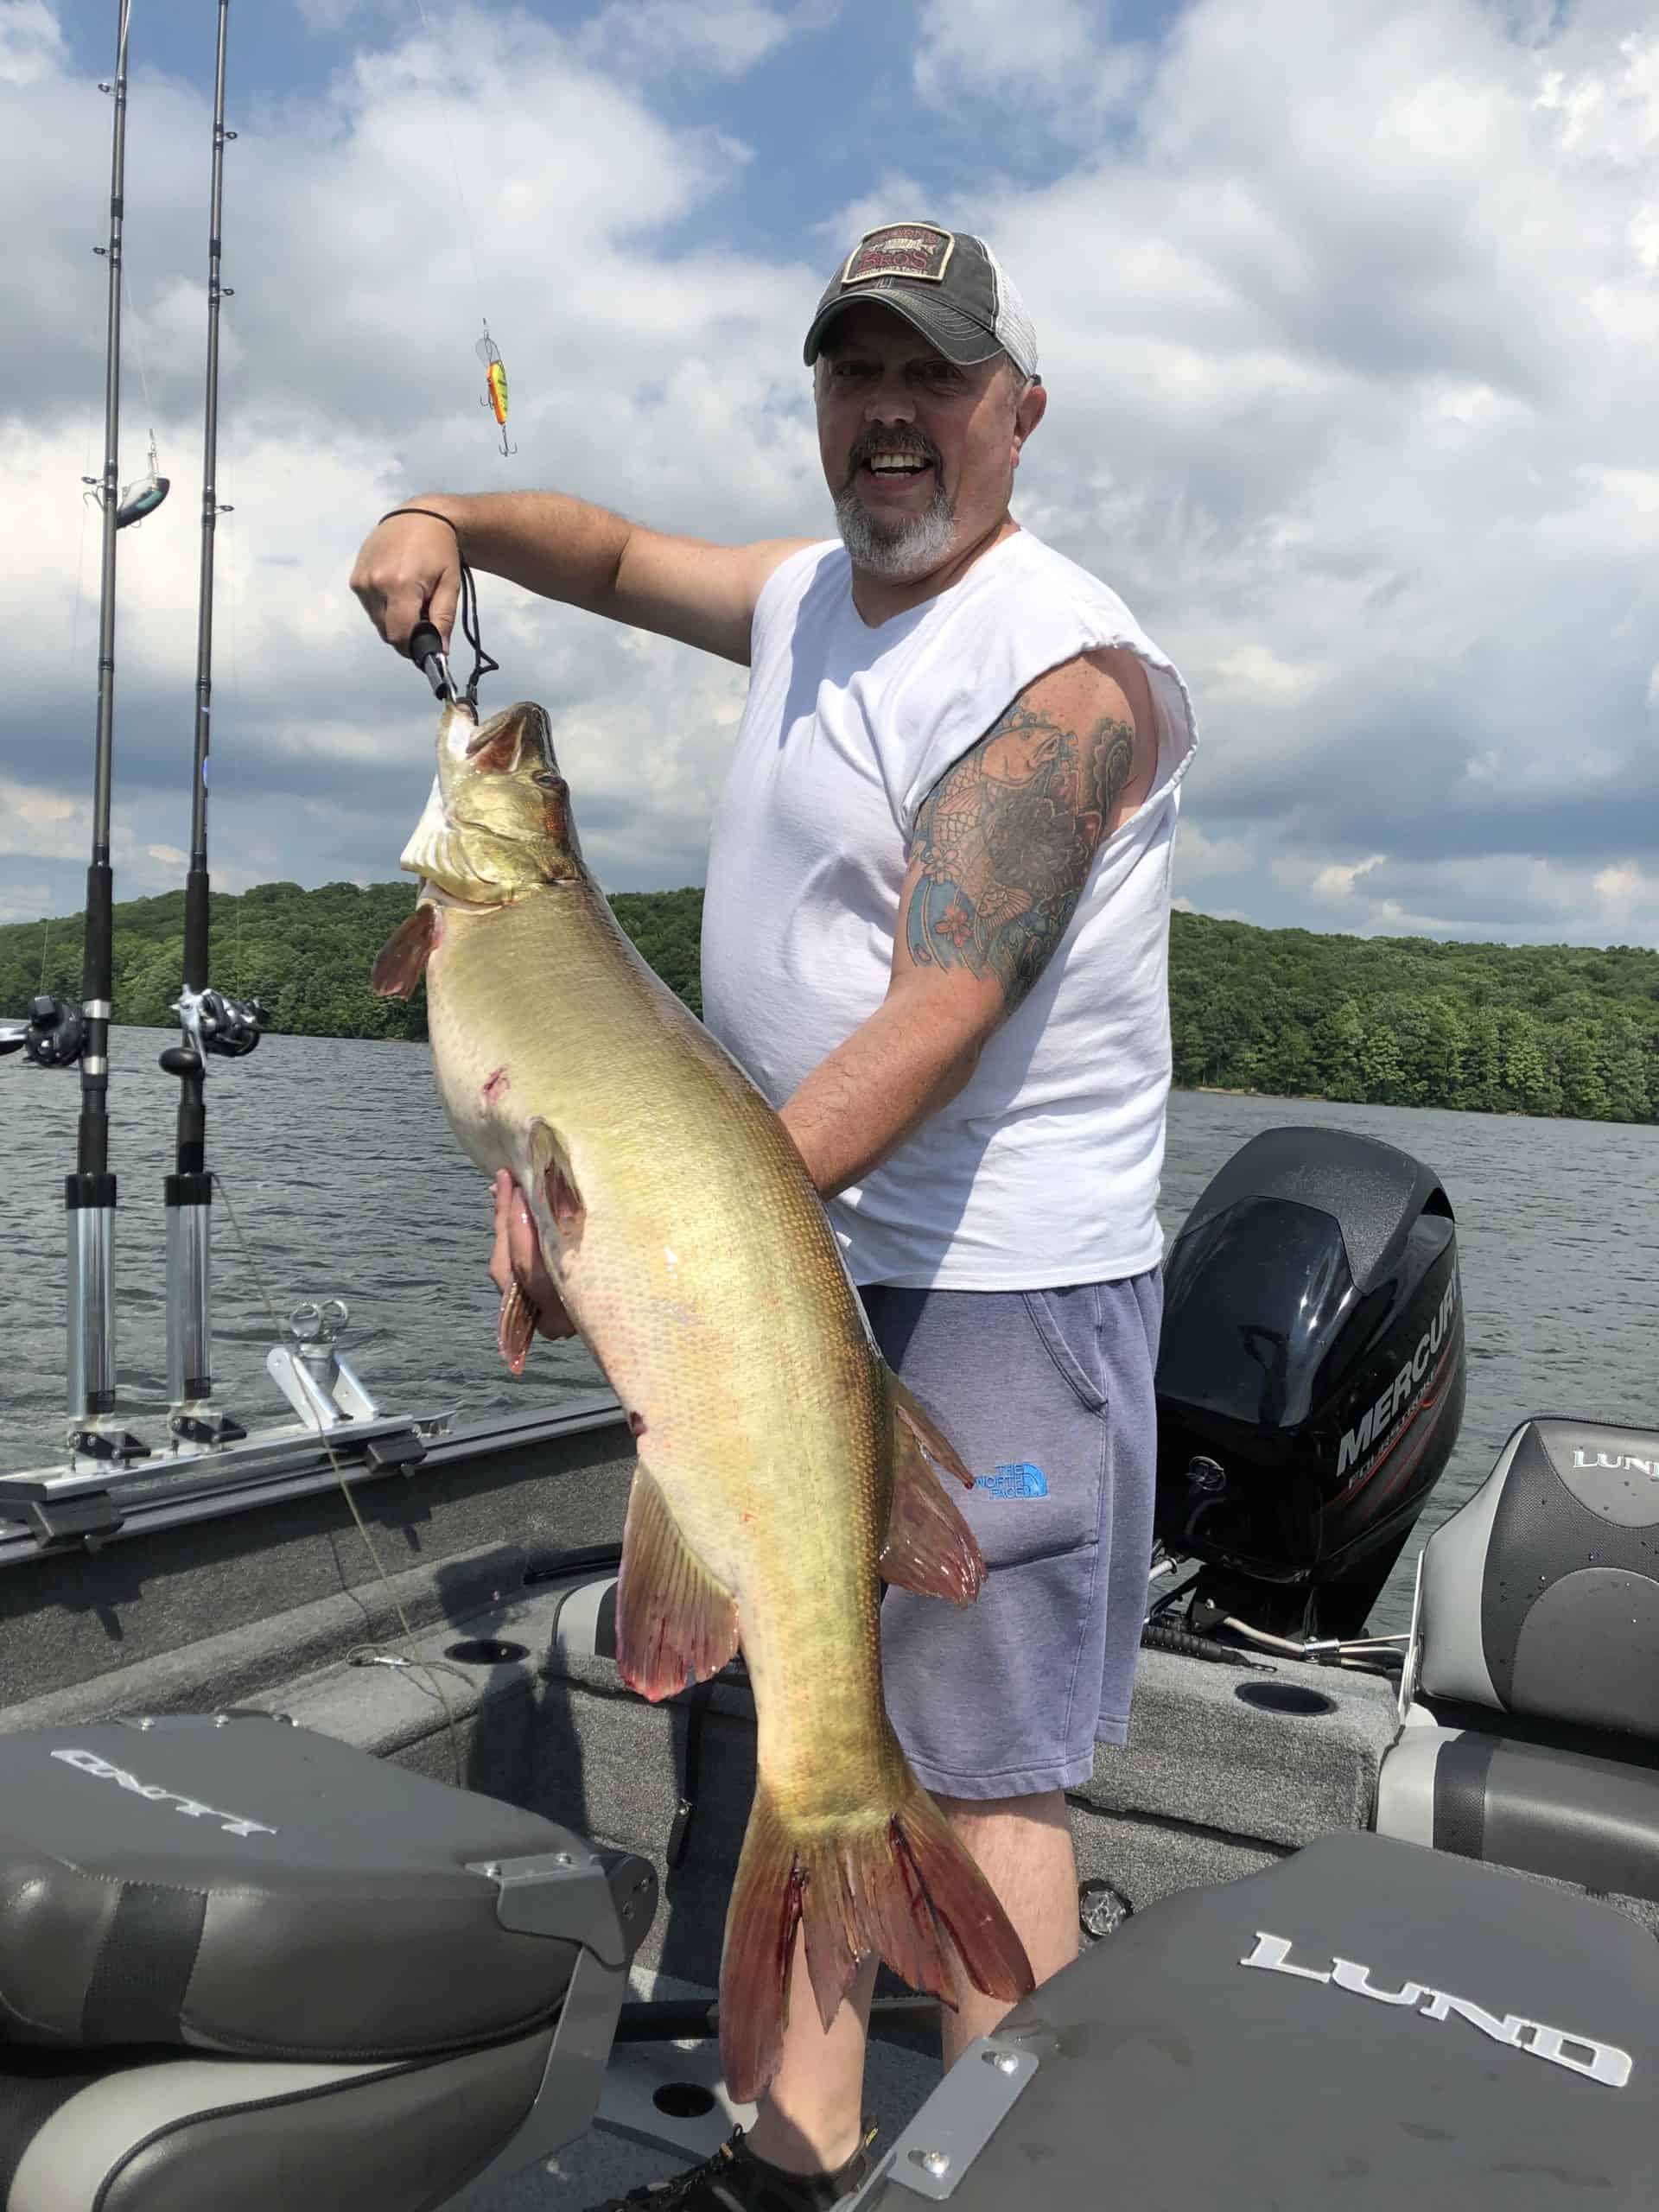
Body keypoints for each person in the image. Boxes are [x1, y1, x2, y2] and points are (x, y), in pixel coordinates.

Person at [351, 219, 1198, 2212]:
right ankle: (789, 2158)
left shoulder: (1075, 677)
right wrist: (444, 509)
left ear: (1020, 411)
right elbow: (624, 554)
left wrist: (648, 1210)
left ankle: (1017, 2184)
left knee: (984, 1782)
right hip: (785, 1249)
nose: (888, 415)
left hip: (997, 1290)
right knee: (808, 1721)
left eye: (933, 377)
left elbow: (936, 1016)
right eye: (853, 373)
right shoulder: (816, 595)